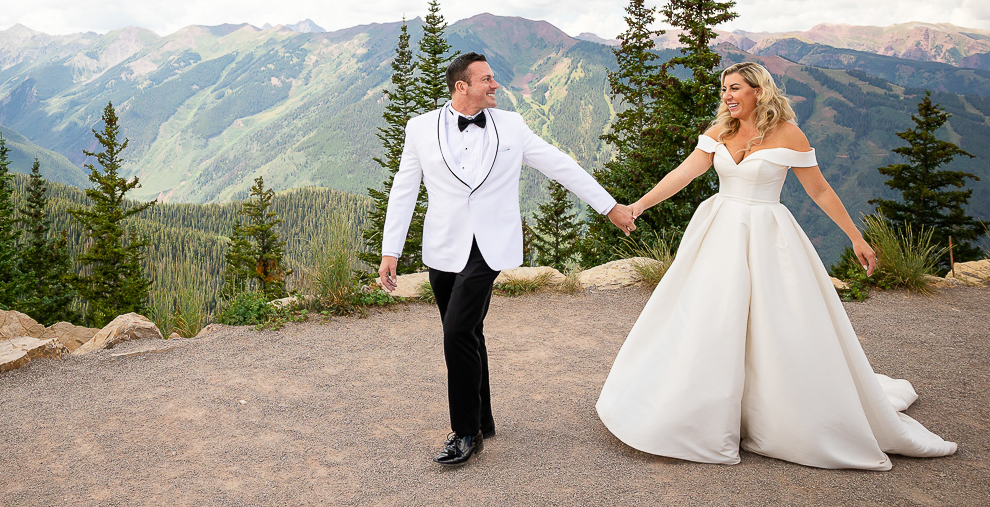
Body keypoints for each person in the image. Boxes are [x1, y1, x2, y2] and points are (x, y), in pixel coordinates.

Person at [596, 61, 958, 469]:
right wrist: (638, 207)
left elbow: (819, 190)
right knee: (709, 318)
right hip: (719, 233)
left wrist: (855, 236)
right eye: (724, 90)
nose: (727, 96)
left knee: (777, 322)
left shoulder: (789, 134)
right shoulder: (720, 133)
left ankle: (778, 411)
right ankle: (697, 412)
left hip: (768, 234)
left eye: (735, 88)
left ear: (758, 91)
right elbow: (683, 174)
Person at [379, 52, 636, 465]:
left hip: (490, 247)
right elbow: (404, 189)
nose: (495, 85)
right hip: (444, 248)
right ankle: (483, 418)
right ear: (461, 86)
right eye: (486, 79)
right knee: (467, 331)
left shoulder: (512, 126)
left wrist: (609, 207)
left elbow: (559, 165)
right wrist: (391, 249)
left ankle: (465, 433)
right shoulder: (420, 128)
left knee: (457, 332)